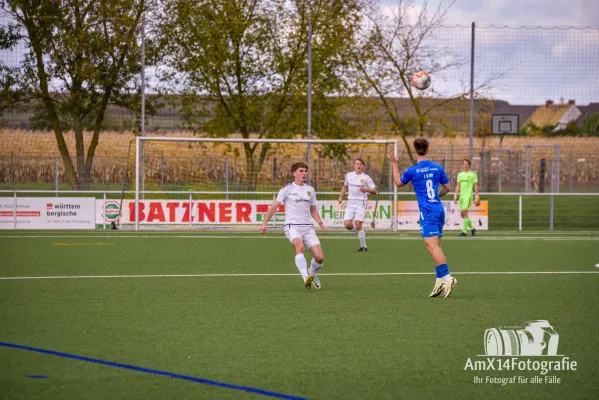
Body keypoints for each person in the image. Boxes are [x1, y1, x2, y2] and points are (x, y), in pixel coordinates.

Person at [388, 138, 457, 298]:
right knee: (434, 246)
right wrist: (437, 197)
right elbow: (447, 187)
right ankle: (439, 280)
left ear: (414, 151)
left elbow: (398, 182)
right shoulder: (437, 168)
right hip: (438, 209)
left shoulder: (413, 170)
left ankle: (448, 277)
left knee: (432, 246)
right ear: (427, 149)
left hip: (427, 211)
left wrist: (394, 163)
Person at [260, 162, 325, 289]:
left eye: (305, 171)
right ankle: (305, 276)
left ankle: (312, 273)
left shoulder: (310, 190)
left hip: (308, 227)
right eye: (301, 171)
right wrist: (264, 224)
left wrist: (320, 223)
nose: (304, 173)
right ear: (294, 173)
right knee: (299, 247)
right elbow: (274, 207)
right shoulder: (287, 189)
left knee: (320, 257)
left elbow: (313, 209)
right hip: (292, 226)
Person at [338, 158, 377, 252]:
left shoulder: (366, 178)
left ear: (363, 166)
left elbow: (374, 190)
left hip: (361, 203)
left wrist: (366, 190)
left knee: (358, 224)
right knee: (347, 224)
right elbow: (345, 186)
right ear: (354, 165)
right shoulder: (349, 175)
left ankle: (363, 247)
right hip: (350, 202)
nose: (358, 165)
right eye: (357, 164)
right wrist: (340, 197)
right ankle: (361, 232)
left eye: (360, 164)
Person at [454, 159, 480, 237]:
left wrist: (477, 196)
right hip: (461, 196)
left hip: (468, 196)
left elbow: (475, 185)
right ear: (462, 165)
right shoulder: (460, 175)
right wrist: (455, 195)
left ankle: (464, 232)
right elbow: (458, 185)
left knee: (465, 212)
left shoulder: (473, 174)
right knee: (463, 214)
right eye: (464, 164)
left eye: (467, 164)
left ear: (469, 165)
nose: (465, 165)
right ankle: (472, 229)